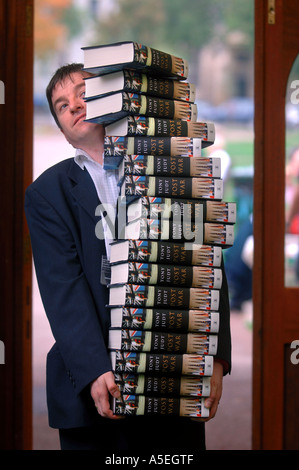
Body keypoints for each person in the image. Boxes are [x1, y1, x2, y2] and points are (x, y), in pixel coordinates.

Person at [25, 63, 231, 452]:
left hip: (173, 376)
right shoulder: (46, 194)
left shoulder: (171, 166)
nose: (74, 106)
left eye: (83, 94)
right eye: (62, 105)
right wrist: (94, 369)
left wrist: (214, 358)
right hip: (92, 388)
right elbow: (62, 289)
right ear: (62, 128)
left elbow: (204, 260)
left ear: (112, 97)